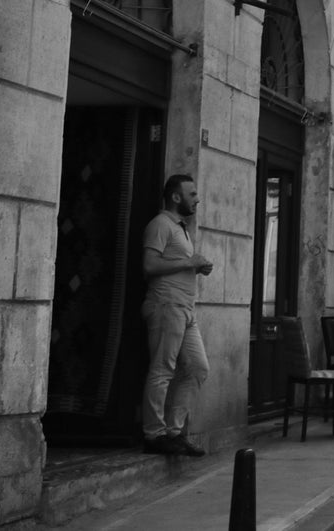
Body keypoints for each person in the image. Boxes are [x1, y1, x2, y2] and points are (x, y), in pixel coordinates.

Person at [140, 173, 212, 456]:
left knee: (197, 368)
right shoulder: (160, 224)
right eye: (192, 194)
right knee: (162, 369)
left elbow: (177, 263)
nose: (197, 199)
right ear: (175, 197)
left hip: (186, 308)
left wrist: (195, 266)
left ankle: (174, 431)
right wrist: (188, 262)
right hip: (166, 305)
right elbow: (148, 265)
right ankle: (154, 434)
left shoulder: (181, 228)